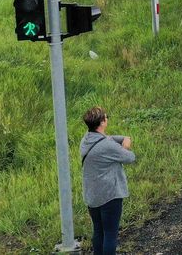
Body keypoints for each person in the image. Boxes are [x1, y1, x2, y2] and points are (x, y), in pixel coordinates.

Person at [80, 107, 136, 255]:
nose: (107, 119)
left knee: (98, 231)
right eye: (106, 117)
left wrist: (122, 138)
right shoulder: (107, 146)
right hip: (109, 195)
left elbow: (107, 138)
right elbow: (130, 157)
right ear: (102, 122)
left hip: (92, 195)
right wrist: (126, 145)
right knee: (110, 234)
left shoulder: (86, 139)